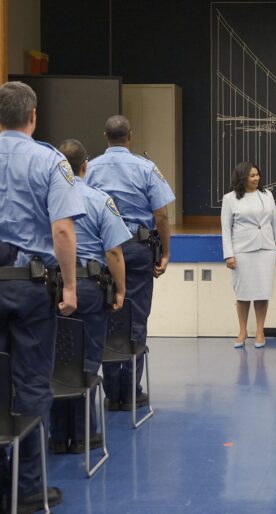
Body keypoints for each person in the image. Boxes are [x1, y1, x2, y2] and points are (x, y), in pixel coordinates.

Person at [0, 81, 85, 512]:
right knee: (32, 384)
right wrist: (69, 286)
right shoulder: (49, 161)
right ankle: (28, 487)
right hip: (31, 285)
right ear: (33, 115)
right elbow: (63, 230)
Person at [85, 115, 175, 411]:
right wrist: (165, 253)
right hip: (137, 249)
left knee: (110, 314)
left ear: (104, 135)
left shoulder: (91, 168)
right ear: (130, 136)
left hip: (104, 250)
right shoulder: (146, 167)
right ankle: (131, 391)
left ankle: (112, 392)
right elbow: (161, 215)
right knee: (136, 318)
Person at [49, 139, 130, 454]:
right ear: (86, 166)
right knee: (86, 362)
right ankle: (85, 435)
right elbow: (113, 251)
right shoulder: (99, 200)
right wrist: (121, 290)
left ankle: (58, 437)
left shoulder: (47, 199)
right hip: (89, 287)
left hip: (55, 287)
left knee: (57, 361)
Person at [220, 162, 276, 348]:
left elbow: (275, 223)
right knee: (243, 293)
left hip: (266, 248)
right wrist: (228, 255)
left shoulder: (267, 195)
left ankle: (260, 331)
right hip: (242, 251)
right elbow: (226, 229)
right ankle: (242, 331)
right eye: (252, 175)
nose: (256, 178)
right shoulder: (230, 199)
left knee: (262, 292)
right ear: (242, 178)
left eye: (257, 175)